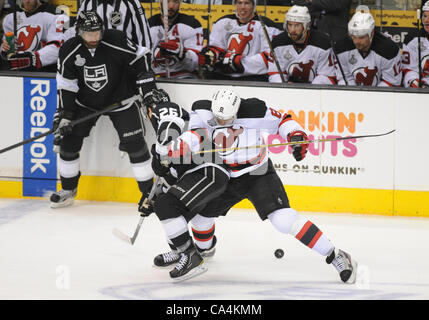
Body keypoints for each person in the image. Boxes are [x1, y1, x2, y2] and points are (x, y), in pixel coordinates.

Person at [152, 88, 359, 284]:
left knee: (284, 220)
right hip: (225, 173)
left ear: (236, 111)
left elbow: (283, 121)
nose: (220, 121)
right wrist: (175, 149)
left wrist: (296, 136)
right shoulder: (203, 109)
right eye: (217, 117)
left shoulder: (254, 110)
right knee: (201, 218)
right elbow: (196, 135)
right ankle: (198, 251)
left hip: (257, 173)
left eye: (226, 118)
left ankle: (336, 255)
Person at [50, 11, 159, 209]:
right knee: (68, 141)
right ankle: (68, 189)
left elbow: (141, 56)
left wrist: (146, 84)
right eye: (89, 34)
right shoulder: (68, 50)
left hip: (121, 99)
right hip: (85, 103)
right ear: (79, 32)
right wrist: (65, 114)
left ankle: (148, 194)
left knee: (135, 144)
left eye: (97, 33)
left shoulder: (115, 40)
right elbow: (66, 84)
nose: (94, 38)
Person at [142, 91, 230, 282]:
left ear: (148, 110)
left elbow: (170, 124)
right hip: (199, 175)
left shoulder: (165, 111)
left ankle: (191, 256)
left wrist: (162, 152)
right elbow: (173, 176)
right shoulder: (161, 134)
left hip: (209, 170)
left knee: (166, 205)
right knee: (167, 206)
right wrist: (152, 195)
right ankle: (180, 251)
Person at [197, 0, 281, 81]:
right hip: (223, 76)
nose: (242, 7)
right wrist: (212, 55)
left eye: (246, 3)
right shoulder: (223, 22)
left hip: (252, 77)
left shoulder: (266, 26)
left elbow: (271, 58)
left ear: (254, 6)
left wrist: (240, 62)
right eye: (239, 3)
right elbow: (216, 46)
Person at [333, 7, 402, 87]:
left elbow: (391, 83)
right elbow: (344, 78)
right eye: (353, 36)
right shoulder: (341, 48)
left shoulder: (389, 50)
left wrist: (371, 97)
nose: (356, 41)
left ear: (372, 33)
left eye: (361, 37)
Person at [268, 5, 336, 84]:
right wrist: (284, 86)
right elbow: (275, 73)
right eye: (290, 25)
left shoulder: (323, 43)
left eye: (297, 25)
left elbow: (326, 76)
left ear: (306, 25)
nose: (292, 30)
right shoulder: (278, 42)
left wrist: (309, 90)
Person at [0, 0, 64, 72]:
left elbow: (58, 47)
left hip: (43, 71)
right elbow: (6, 47)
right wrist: (5, 49)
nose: (27, 1)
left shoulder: (56, 14)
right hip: (16, 70)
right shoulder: (11, 17)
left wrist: (32, 58)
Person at [148, 0, 204, 79]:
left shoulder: (192, 24)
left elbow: (198, 62)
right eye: (167, 1)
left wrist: (182, 53)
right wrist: (157, 54)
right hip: (156, 77)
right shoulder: (148, 24)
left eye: (175, 2)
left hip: (185, 77)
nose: (171, 6)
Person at [64, 0, 152, 49]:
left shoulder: (131, 3)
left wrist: (144, 67)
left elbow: (144, 38)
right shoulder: (87, 3)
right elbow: (78, 34)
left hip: (125, 65)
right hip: (96, 64)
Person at [402, 0, 429, 88]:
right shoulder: (412, 38)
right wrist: (413, 81)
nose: (426, 20)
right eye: (424, 16)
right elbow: (408, 69)